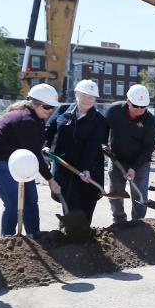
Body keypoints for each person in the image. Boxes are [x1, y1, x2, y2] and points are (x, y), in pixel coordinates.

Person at [0, 84, 61, 236]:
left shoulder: (36, 117)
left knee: (30, 200)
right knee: (14, 204)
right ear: (35, 103)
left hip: (18, 160)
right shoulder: (26, 120)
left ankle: (34, 235)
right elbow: (34, 155)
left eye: (52, 108)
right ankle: (7, 241)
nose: (50, 111)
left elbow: (33, 150)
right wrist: (50, 179)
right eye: (47, 107)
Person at [45, 80, 109, 223]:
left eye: (91, 97)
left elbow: (93, 146)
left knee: (87, 200)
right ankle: (67, 230)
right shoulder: (63, 110)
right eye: (84, 95)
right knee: (67, 198)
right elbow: (49, 130)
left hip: (89, 167)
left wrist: (86, 168)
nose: (87, 100)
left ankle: (83, 233)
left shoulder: (99, 121)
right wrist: (46, 145)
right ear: (76, 95)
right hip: (64, 165)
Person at [105, 84, 155, 224]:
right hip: (116, 159)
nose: (140, 110)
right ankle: (119, 220)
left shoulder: (151, 121)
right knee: (115, 193)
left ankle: (138, 222)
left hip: (140, 163)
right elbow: (102, 129)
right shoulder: (114, 111)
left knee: (139, 194)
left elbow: (148, 148)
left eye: (144, 106)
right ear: (128, 101)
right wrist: (104, 144)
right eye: (136, 106)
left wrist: (134, 168)